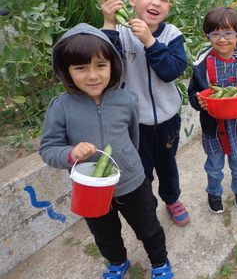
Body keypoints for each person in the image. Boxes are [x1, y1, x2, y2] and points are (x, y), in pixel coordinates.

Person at [39, 24, 174, 278]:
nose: (92, 76)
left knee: (149, 228)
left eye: (100, 65)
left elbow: (134, 138)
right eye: (80, 68)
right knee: (104, 234)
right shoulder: (61, 107)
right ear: (66, 71)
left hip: (132, 181)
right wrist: (70, 154)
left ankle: (160, 262)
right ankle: (117, 262)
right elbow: (48, 149)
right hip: (89, 189)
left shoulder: (127, 100)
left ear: (113, 65)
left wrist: (129, 163)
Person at [100, 0, 190, 226]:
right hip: (134, 123)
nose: (156, 3)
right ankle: (147, 205)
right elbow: (107, 66)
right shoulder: (121, 34)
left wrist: (151, 42)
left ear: (169, 8)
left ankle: (171, 198)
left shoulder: (172, 35)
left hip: (167, 119)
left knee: (168, 165)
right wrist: (109, 23)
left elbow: (171, 71)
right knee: (141, 170)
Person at [188, 6, 237, 214]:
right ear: (207, 36)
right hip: (214, 126)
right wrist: (199, 102)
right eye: (216, 34)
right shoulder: (203, 64)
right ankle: (214, 192)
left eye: (228, 33)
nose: (222, 39)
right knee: (213, 165)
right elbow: (194, 92)